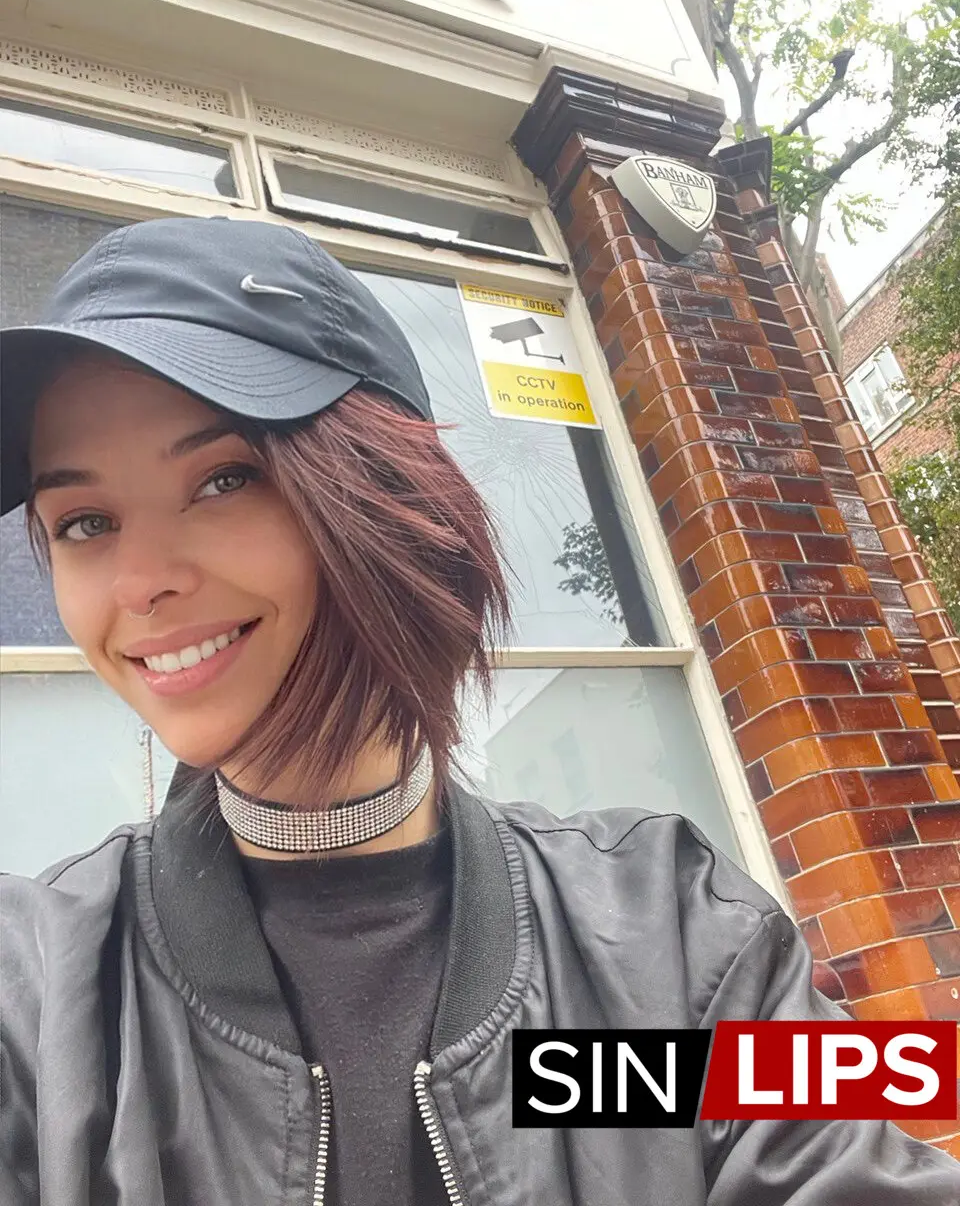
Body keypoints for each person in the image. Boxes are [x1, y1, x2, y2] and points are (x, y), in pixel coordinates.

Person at [0, 216, 957, 1206]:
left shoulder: (665, 935)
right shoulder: (44, 997)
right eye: (84, 522)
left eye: (225, 478)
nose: (140, 581)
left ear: (384, 492)